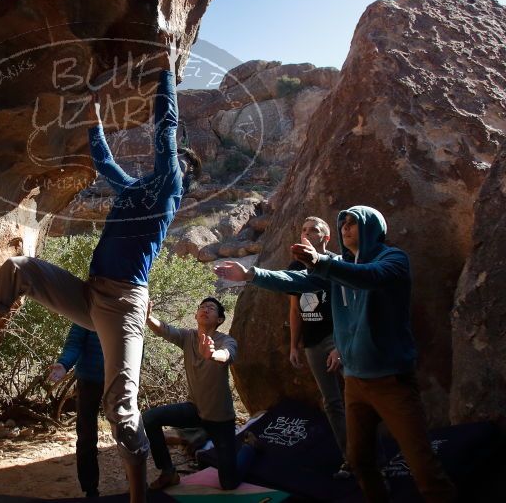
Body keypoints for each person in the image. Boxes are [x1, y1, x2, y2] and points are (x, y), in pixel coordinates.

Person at [0, 38, 202, 503]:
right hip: (91, 294)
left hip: (124, 304)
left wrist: (166, 74)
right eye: (179, 164)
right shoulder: (131, 190)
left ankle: (138, 496)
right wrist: (93, 110)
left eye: (185, 167)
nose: (176, 165)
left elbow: (167, 130)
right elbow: (104, 160)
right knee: (16, 268)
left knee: (121, 410)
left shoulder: (168, 190)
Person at [214, 206, 456, 502]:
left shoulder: (393, 259)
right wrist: (251, 273)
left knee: (423, 466)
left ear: (373, 228)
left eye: (353, 223)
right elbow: (298, 282)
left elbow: (370, 277)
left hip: (392, 381)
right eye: (343, 223)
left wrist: (321, 262)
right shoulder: (336, 266)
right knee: (360, 461)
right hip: (355, 383)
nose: (346, 228)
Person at [143, 297, 259, 491]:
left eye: (211, 308)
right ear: (196, 315)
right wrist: (147, 317)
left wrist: (212, 354)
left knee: (229, 483)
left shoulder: (226, 340)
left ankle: (251, 447)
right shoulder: (187, 337)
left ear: (220, 319)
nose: (205, 309)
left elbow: (227, 355)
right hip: (195, 410)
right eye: (202, 307)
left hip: (221, 420)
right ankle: (168, 472)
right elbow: (164, 329)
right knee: (149, 418)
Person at [287, 216, 350, 479]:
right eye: (304, 230)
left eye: (314, 230)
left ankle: (371, 455)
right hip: (312, 343)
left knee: (359, 398)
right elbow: (294, 308)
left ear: (325, 237)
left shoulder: (336, 264)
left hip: (337, 339)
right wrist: (294, 345)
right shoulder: (295, 267)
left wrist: (341, 345)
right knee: (332, 402)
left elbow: (348, 307)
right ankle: (350, 459)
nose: (308, 233)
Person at [48, 324, 105, 499]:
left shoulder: (127, 306)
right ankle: (90, 489)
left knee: (126, 432)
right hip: (89, 380)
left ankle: (135, 483)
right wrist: (64, 364)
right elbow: (75, 343)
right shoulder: (86, 309)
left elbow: (136, 343)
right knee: (87, 434)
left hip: (120, 380)